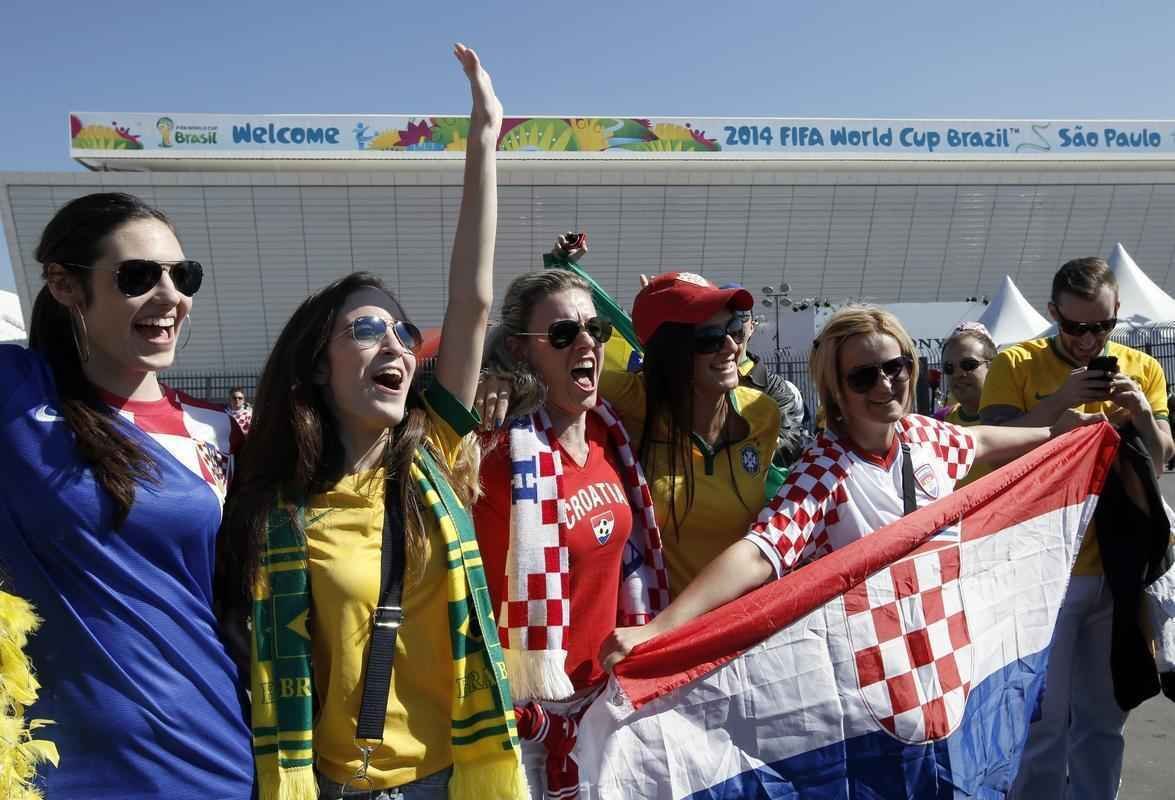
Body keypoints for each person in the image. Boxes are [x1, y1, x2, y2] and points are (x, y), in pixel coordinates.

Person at [219, 45, 523, 800]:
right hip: (330, 786)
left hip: (451, 780)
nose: (392, 343)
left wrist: (482, 138)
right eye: (363, 330)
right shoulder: (277, 507)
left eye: (398, 331)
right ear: (317, 365)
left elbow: (473, 303)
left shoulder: (435, 454)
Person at [601, 305, 1096, 668]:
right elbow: (760, 551)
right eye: (863, 377)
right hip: (868, 668)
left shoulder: (925, 436)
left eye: (895, 367)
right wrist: (658, 630)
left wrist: (1056, 434)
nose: (885, 385)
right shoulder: (824, 470)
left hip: (943, 653)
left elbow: (981, 439)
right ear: (837, 389)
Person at [0, 192, 253, 798]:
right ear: (63, 285)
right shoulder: (14, 393)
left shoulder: (222, 429)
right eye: (138, 276)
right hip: (55, 765)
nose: (171, 296)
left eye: (182, 275)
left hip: (211, 755)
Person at [979, 257, 1174, 800]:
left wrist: (1140, 416)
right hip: (1041, 568)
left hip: (1118, 568)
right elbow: (992, 449)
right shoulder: (1017, 363)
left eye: (1102, 327)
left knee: (1104, 719)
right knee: (1043, 724)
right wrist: (1061, 401)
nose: (1089, 341)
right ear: (1051, 315)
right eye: (1075, 327)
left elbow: (1159, 461)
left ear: (1117, 318)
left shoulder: (1143, 368)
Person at [473, 268, 669, 797]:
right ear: (521, 350)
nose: (585, 342)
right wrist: (483, 384)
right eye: (562, 334)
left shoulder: (612, 429)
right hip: (526, 719)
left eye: (594, 329)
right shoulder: (493, 451)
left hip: (606, 703)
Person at [728, 305, 810, 468]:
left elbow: (790, 442)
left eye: (742, 316)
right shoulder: (702, 380)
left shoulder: (774, 387)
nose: (733, 324)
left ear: (752, 326)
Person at [938, 322, 997, 485]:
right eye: (949, 368)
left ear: (993, 366)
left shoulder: (1018, 418)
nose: (958, 374)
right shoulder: (939, 424)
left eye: (968, 365)